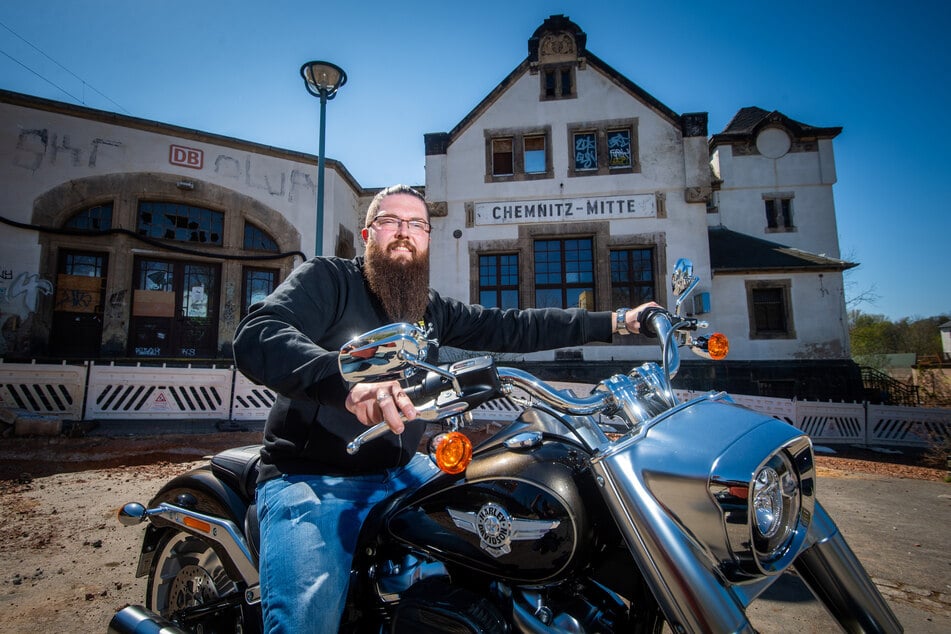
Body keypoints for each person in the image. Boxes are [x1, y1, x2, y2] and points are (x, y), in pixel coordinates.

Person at [232, 184, 658, 633]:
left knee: (497, 522)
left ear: (427, 238)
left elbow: (510, 326)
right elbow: (259, 332)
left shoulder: (426, 308)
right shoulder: (330, 280)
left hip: (399, 471)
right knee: (307, 620)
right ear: (367, 234)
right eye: (390, 222)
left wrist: (618, 321)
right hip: (312, 477)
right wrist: (346, 384)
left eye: (416, 224)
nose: (403, 232)